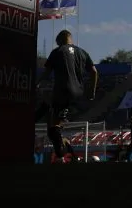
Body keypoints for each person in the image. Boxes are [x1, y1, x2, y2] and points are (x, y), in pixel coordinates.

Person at [38, 29, 97, 162]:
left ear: (59, 40)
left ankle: (63, 152)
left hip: (62, 92)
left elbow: (47, 72)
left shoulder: (58, 51)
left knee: (53, 129)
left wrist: (37, 83)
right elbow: (94, 71)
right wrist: (92, 91)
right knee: (53, 126)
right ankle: (65, 147)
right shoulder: (82, 52)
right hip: (78, 94)